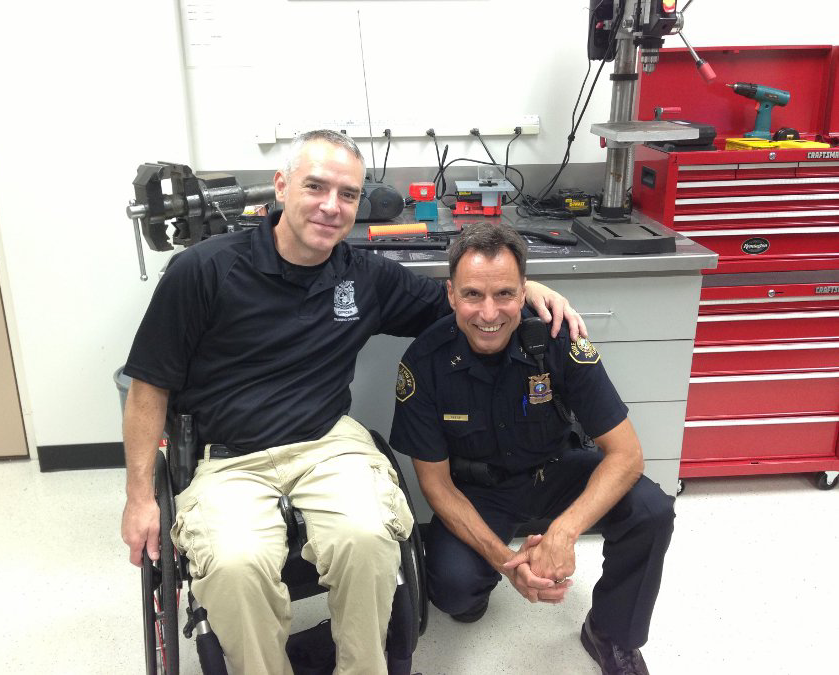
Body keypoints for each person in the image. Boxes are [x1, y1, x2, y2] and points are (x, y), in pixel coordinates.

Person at [120, 130, 586, 674]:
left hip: (327, 444)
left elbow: (466, 305)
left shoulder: (363, 276)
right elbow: (148, 387)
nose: (331, 206)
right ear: (281, 186)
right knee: (235, 565)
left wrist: (526, 290)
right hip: (229, 457)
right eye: (315, 187)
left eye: (347, 194)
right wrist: (139, 498)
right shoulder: (203, 270)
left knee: (367, 539)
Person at [390, 222, 675, 675]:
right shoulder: (424, 364)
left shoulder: (558, 338)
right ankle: (477, 584)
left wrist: (563, 533)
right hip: (479, 491)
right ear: (451, 295)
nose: (489, 313)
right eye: (473, 295)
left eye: (504, 294)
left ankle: (611, 633)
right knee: (455, 592)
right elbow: (436, 486)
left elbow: (626, 454)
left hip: (557, 470)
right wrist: (507, 564)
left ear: (524, 293)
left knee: (651, 510)